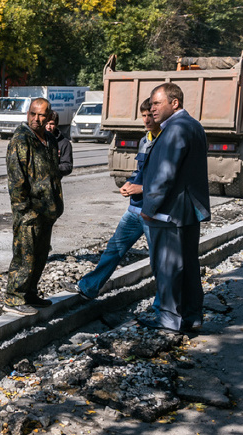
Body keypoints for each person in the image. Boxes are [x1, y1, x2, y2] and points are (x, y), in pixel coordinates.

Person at [66, 98, 159, 299]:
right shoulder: (146, 140)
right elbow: (139, 171)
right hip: (135, 210)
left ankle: (165, 308)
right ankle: (88, 287)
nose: (146, 120)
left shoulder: (165, 142)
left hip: (154, 213)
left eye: (150, 115)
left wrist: (141, 188)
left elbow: (169, 181)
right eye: (143, 116)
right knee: (113, 249)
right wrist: (129, 183)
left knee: (159, 261)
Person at [139, 82, 211, 332]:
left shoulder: (175, 129)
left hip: (169, 212)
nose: (152, 108)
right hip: (188, 211)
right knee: (189, 266)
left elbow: (164, 174)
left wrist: (149, 207)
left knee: (168, 267)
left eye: (157, 103)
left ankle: (169, 320)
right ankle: (192, 317)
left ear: (175, 103)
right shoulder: (193, 125)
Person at [3, 97, 64, 315]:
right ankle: (14, 297)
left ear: (49, 116)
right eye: (32, 114)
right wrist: (24, 210)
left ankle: (30, 294)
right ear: (28, 114)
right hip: (29, 212)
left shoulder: (49, 139)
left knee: (39, 256)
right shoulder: (21, 140)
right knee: (24, 255)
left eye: (41, 115)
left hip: (47, 210)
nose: (36, 119)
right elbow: (16, 178)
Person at [45, 110, 73, 176]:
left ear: (56, 124)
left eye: (51, 124)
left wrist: (52, 168)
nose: (48, 127)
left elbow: (67, 166)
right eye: (46, 123)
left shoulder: (64, 143)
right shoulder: (35, 140)